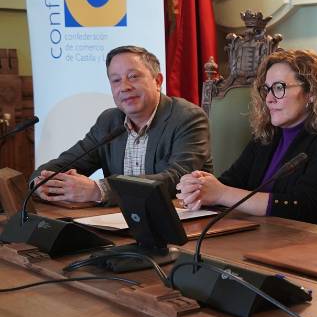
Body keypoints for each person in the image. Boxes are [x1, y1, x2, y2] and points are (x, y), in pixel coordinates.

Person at [176, 49, 317, 235]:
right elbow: (232, 182)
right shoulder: (267, 137)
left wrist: (221, 194)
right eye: (267, 89)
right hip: (270, 238)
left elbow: (305, 207)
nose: (269, 99)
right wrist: (200, 187)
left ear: (312, 93)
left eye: (279, 88)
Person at [32, 45, 212, 204]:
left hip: (179, 220)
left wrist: (99, 190)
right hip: (118, 220)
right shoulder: (109, 121)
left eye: (133, 77)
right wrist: (41, 183)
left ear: (157, 81)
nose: (124, 87)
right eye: (116, 80)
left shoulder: (187, 118)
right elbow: (63, 164)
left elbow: (178, 179)